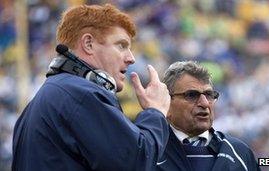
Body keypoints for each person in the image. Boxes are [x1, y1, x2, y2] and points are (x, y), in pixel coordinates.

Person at [12, 4, 171, 171]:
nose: (131, 58)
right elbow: (136, 162)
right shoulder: (80, 95)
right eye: (121, 45)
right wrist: (156, 112)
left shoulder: (50, 95)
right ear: (88, 44)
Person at [156, 61, 260, 171]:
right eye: (191, 95)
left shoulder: (240, 153)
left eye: (209, 95)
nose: (205, 103)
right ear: (167, 101)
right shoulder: (148, 152)